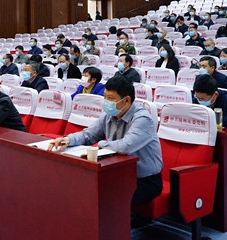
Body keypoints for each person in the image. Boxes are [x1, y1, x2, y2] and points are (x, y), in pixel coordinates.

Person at [49, 76, 163, 206]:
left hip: (145, 180)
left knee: (105, 196)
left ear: (126, 100)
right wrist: (68, 139)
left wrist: (101, 144)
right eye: (105, 97)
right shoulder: (109, 115)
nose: (106, 102)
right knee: (79, 185)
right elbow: (88, 135)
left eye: (111, 98)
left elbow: (125, 146)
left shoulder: (142, 118)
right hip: (118, 172)